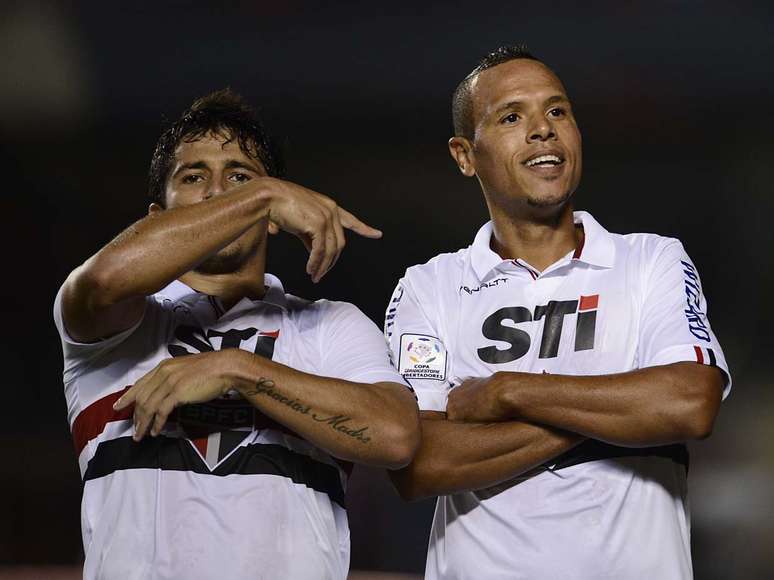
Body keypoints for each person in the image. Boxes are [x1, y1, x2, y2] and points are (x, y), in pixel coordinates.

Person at [386, 46, 730, 580]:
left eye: (557, 111)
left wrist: (509, 392)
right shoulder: (428, 287)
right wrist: (625, 411)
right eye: (511, 117)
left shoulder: (650, 259)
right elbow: (422, 463)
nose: (543, 130)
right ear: (464, 155)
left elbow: (689, 402)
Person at [53, 89, 420, 580]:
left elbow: (396, 436)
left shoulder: (330, 324)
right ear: (157, 219)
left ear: (273, 221)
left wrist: (237, 369)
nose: (219, 191)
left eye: (239, 177)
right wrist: (262, 193)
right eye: (194, 176)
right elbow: (102, 282)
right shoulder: (119, 325)